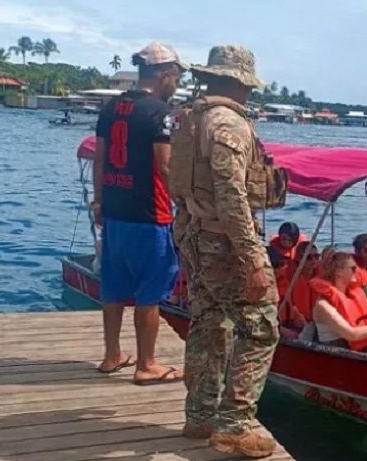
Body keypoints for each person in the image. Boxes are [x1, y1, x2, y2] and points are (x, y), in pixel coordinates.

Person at [169, 45, 286, 457]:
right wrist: (253, 258)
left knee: (208, 320)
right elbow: (231, 194)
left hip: (194, 234)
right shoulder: (229, 124)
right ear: (241, 83)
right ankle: (234, 423)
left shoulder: (191, 119)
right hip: (223, 240)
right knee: (261, 325)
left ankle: (200, 414)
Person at [92, 41, 186, 384]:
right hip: (150, 214)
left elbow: (99, 160)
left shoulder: (111, 108)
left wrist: (98, 202)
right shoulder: (160, 113)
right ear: (164, 74)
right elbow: (164, 165)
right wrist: (187, 199)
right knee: (150, 290)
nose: (176, 82)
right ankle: (147, 364)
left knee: (114, 286)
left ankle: (111, 355)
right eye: (175, 75)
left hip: (114, 211)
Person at [277, 241, 319, 329]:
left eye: (316, 256)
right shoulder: (288, 275)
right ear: (298, 258)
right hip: (293, 324)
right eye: (308, 257)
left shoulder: (322, 274)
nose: (313, 260)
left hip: (315, 323)